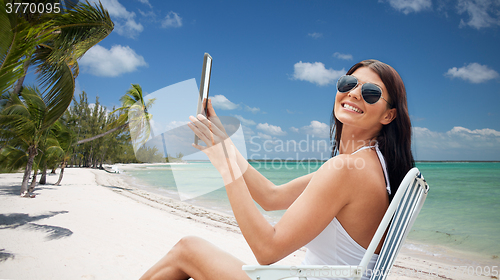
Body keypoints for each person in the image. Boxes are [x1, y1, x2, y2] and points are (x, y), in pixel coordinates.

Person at [140, 59, 414, 280]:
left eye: (371, 93)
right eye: (349, 83)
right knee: (189, 249)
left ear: (389, 115)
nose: (354, 93)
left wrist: (225, 166)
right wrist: (226, 144)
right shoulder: (368, 164)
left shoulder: (347, 168)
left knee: (188, 250)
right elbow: (271, 197)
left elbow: (267, 249)